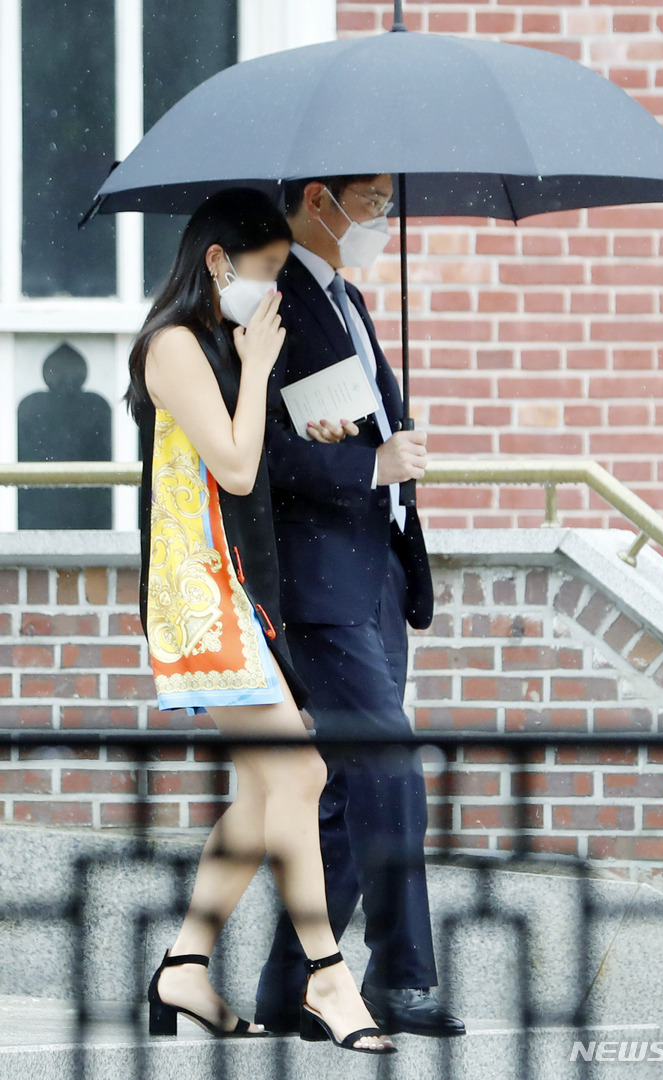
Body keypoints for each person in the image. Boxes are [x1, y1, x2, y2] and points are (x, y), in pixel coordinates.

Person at [125, 187, 395, 1055]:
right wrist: (257, 366)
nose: (275, 288)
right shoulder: (172, 344)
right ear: (217, 261)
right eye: (267, 269)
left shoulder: (216, 345)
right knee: (303, 773)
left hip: (233, 588)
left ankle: (184, 968)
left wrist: (312, 424)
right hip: (197, 596)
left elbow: (253, 461)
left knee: (264, 789)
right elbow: (237, 468)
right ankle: (329, 975)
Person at [255, 175, 466, 1038]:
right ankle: (402, 976)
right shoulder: (269, 300)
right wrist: (371, 464)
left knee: (350, 786)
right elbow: (256, 450)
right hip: (318, 581)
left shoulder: (348, 298)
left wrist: (390, 459)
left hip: (375, 571)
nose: (384, 217)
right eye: (374, 200)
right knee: (390, 762)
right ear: (320, 200)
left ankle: (288, 987)